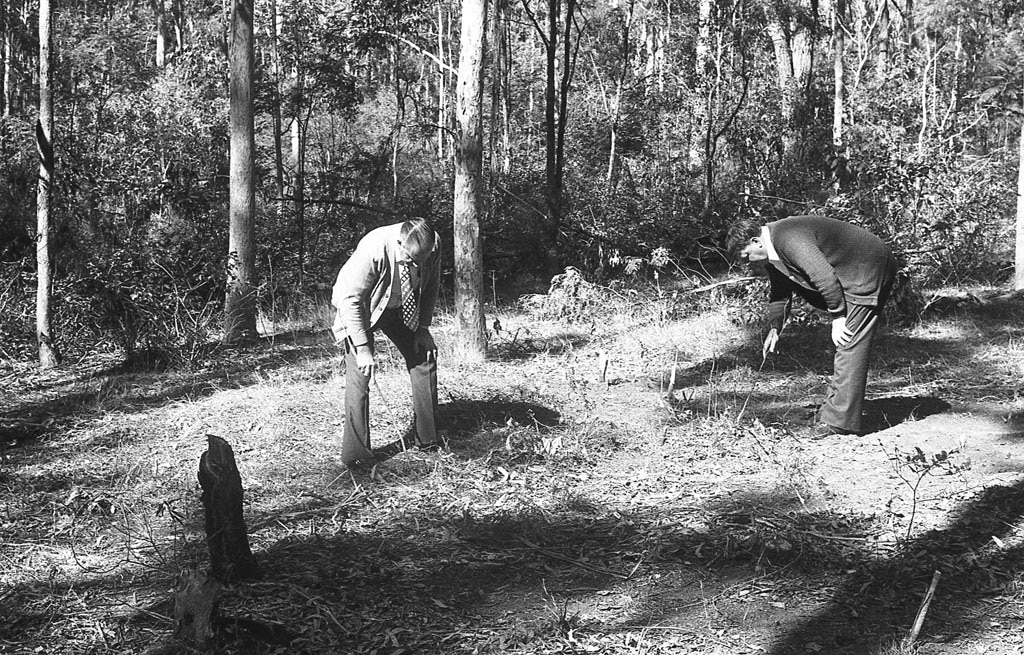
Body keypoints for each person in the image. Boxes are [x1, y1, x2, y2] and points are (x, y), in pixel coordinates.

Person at [728, 214, 897, 436]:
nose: (747, 263)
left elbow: (822, 274)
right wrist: (774, 327)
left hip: (867, 268)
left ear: (755, 241)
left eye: (746, 256)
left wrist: (839, 316)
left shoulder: (788, 238)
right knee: (846, 345)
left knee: (849, 343)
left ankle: (838, 422)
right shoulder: (773, 250)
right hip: (855, 270)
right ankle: (835, 410)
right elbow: (780, 293)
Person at [330, 218, 442, 467]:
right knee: (361, 373)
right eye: (412, 259)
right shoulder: (374, 247)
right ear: (400, 243)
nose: (417, 264)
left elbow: (432, 284)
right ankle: (356, 455)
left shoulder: (432, 245)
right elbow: (351, 300)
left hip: (401, 307)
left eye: (421, 259)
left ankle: (428, 438)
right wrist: (363, 349)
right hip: (362, 309)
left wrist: (423, 328)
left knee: (423, 355)